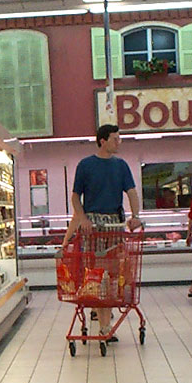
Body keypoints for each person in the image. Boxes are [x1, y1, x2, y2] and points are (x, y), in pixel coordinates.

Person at [61, 124, 143, 341]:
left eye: (120, 138)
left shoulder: (122, 166)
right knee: (96, 274)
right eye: (115, 139)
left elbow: (132, 192)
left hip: (114, 224)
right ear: (102, 141)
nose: (119, 142)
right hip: (93, 224)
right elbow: (75, 197)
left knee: (112, 273)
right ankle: (104, 326)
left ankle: (104, 322)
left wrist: (135, 215)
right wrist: (84, 218)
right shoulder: (85, 165)